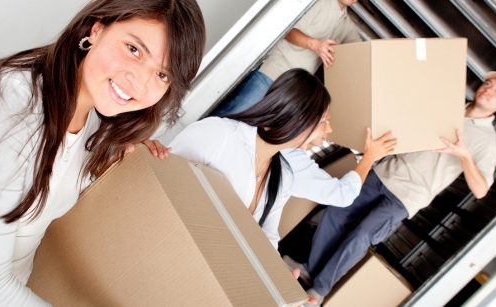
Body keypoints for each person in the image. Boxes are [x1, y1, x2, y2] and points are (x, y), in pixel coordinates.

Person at [0, 1, 205, 306]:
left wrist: (115, 164)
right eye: (134, 49)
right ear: (96, 29)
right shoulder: (12, 107)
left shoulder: (92, 118)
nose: (139, 81)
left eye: (162, 75)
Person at [283, 71, 496, 305]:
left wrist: (465, 155)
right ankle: (308, 269)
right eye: (488, 83)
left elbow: (480, 190)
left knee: (361, 235)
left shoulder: (489, 142)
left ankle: (320, 289)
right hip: (384, 173)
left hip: (408, 196)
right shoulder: (448, 107)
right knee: (336, 213)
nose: (488, 89)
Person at [144, 68, 396, 249]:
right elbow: (157, 183)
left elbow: (267, 239)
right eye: (323, 122)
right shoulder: (219, 134)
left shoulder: (284, 175)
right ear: (299, 119)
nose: (328, 131)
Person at [210, 0, 361, 116]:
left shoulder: (347, 26)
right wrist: (315, 45)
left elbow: (364, 53)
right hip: (272, 72)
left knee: (245, 124)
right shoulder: (317, 4)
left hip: (289, 88)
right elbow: (288, 30)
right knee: (235, 113)